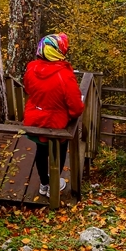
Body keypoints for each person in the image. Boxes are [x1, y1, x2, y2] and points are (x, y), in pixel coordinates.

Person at [23, 33, 85, 197]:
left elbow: (28, 89)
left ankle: (44, 183)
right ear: (59, 52)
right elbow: (76, 107)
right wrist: (71, 114)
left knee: (41, 152)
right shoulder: (64, 75)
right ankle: (54, 186)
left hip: (35, 121)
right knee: (58, 153)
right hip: (56, 125)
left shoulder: (31, 68)